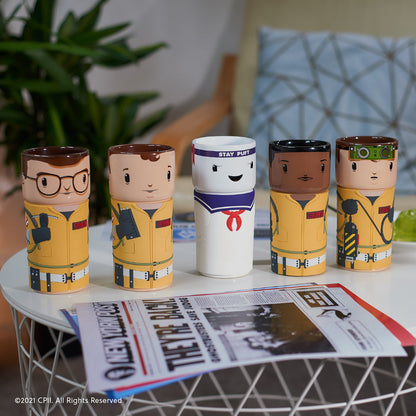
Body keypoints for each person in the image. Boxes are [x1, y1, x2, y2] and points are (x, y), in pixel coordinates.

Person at [21, 147, 90, 293]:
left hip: (80, 277)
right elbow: (30, 239)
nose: (67, 186)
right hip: (45, 279)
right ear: (25, 181)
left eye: (81, 177)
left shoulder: (81, 209)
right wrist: (35, 235)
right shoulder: (37, 214)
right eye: (45, 181)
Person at [108, 144, 175, 290]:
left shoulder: (165, 207)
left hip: (162, 272)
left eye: (167, 174)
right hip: (129, 273)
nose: (150, 184)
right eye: (127, 177)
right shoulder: (122, 209)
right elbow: (117, 238)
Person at [336, 136, 398, 271]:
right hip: (352, 258)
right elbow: (340, 212)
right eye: (354, 166)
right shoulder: (347, 196)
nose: (374, 171)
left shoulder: (388, 195)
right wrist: (344, 207)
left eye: (389, 165)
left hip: (382, 257)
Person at [269, 140, 331, 276]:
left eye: (321, 166)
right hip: (283, 261)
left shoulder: (321, 198)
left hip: (316, 260)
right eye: (285, 166)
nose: (305, 172)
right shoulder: (278, 198)